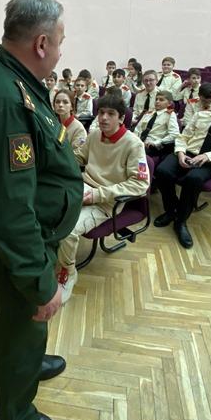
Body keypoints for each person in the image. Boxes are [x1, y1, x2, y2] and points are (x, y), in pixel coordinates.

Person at [0, 0, 83, 420]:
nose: (62, 51)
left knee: (24, 326)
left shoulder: (13, 79)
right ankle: (18, 417)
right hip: (16, 248)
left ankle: (30, 357)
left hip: (23, 241)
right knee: (18, 327)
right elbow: (11, 209)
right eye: (61, 41)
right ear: (42, 43)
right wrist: (39, 283)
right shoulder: (6, 100)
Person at [56, 93, 149, 303]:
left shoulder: (133, 144)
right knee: (48, 207)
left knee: (68, 231)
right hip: (81, 188)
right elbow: (79, 157)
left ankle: (68, 272)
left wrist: (97, 195)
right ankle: (53, 254)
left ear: (121, 118)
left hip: (106, 202)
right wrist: (58, 156)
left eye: (110, 114)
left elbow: (140, 184)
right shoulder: (94, 135)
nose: (104, 117)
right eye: (101, 112)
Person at [154, 81, 211, 249]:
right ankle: (171, 210)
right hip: (188, 153)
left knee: (193, 179)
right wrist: (181, 152)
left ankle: (181, 221)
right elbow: (183, 137)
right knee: (162, 171)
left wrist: (209, 155)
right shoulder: (200, 115)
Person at [132, 90, 180, 158]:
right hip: (139, 141)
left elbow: (175, 134)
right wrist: (134, 139)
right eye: (156, 99)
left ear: (169, 103)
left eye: (161, 100)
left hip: (152, 146)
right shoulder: (149, 113)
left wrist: (158, 142)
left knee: (133, 152)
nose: (157, 101)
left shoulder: (170, 115)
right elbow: (137, 129)